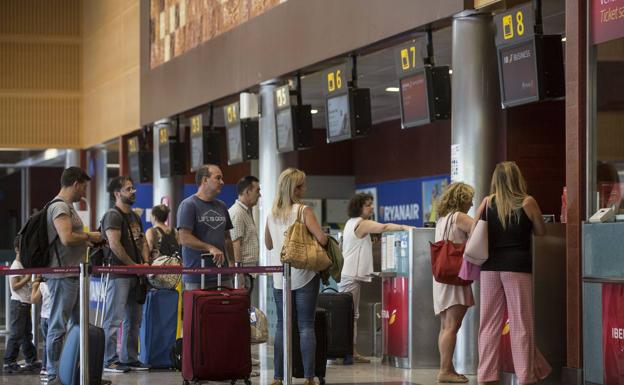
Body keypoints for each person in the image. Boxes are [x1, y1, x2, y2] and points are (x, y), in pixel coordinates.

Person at [475, 161, 551, 385]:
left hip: (489, 269)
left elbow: (475, 231)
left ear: (495, 180)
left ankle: (486, 375)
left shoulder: (487, 203)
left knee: (488, 323)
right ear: (517, 178)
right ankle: (524, 376)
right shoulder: (527, 202)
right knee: (520, 323)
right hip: (517, 269)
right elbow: (541, 231)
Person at [265, 168, 327, 385]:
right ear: (294, 188)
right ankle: (309, 377)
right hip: (304, 276)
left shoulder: (271, 213)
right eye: (302, 185)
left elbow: (269, 244)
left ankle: (277, 377)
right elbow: (321, 239)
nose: (305, 189)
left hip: (279, 278)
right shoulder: (303, 211)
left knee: (282, 325)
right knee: (306, 326)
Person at [339, 192, 413, 364]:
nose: (371, 207)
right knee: (351, 315)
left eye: (372, 203)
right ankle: (349, 352)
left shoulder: (350, 223)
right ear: (359, 207)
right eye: (367, 204)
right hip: (351, 275)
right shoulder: (361, 223)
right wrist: (405, 227)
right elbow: (384, 227)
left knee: (351, 314)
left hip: (348, 273)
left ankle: (350, 350)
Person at [45, 167, 101, 385]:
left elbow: (69, 240)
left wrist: (86, 241)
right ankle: (54, 374)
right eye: (84, 186)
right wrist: (90, 235)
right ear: (76, 184)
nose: (84, 191)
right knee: (58, 326)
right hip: (63, 276)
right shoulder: (59, 206)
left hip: (73, 274)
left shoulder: (67, 207)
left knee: (77, 326)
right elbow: (66, 237)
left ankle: (75, 372)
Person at [100, 176, 150, 373]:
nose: (133, 191)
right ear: (117, 193)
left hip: (136, 274)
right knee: (114, 319)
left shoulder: (135, 217)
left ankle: (130, 357)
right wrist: (132, 265)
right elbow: (114, 244)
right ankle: (109, 359)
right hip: (119, 274)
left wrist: (145, 263)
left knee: (134, 320)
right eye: (129, 189)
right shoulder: (113, 216)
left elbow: (143, 241)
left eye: (133, 188)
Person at [432, 182, 476, 383]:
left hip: (442, 278)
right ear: (462, 200)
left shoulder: (442, 219)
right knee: (452, 326)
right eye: (470, 199)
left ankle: (447, 368)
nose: (472, 203)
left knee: (445, 326)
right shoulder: (460, 217)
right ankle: (445, 371)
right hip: (456, 277)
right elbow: (482, 233)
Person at [177, 164, 235, 290]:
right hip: (197, 276)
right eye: (218, 178)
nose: (222, 182)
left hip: (223, 275)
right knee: (198, 310)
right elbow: (184, 238)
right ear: (205, 180)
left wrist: (232, 262)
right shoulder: (188, 205)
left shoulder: (222, 206)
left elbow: (227, 238)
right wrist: (210, 248)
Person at [3, 236, 41, 374]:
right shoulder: (16, 266)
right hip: (18, 304)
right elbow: (15, 286)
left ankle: (31, 359)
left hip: (25, 304)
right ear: (17, 249)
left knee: (26, 334)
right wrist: (27, 277)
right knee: (16, 334)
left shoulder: (24, 265)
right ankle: (9, 361)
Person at [229, 175, 261, 290]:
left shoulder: (246, 212)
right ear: (247, 192)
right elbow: (235, 244)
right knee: (240, 306)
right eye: (257, 191)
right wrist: (239, 274)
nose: (259, 195)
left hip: (247, 272)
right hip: (243, 272)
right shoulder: (238, 213)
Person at [31, 274, 51, 376]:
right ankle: (50, 367)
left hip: (44, 317)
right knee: (53, 342)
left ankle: (44, 367)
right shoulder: (56, 284)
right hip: (53, 317)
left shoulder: (42, 285)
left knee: (46, 343)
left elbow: (33, 299)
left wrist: (34, 288)